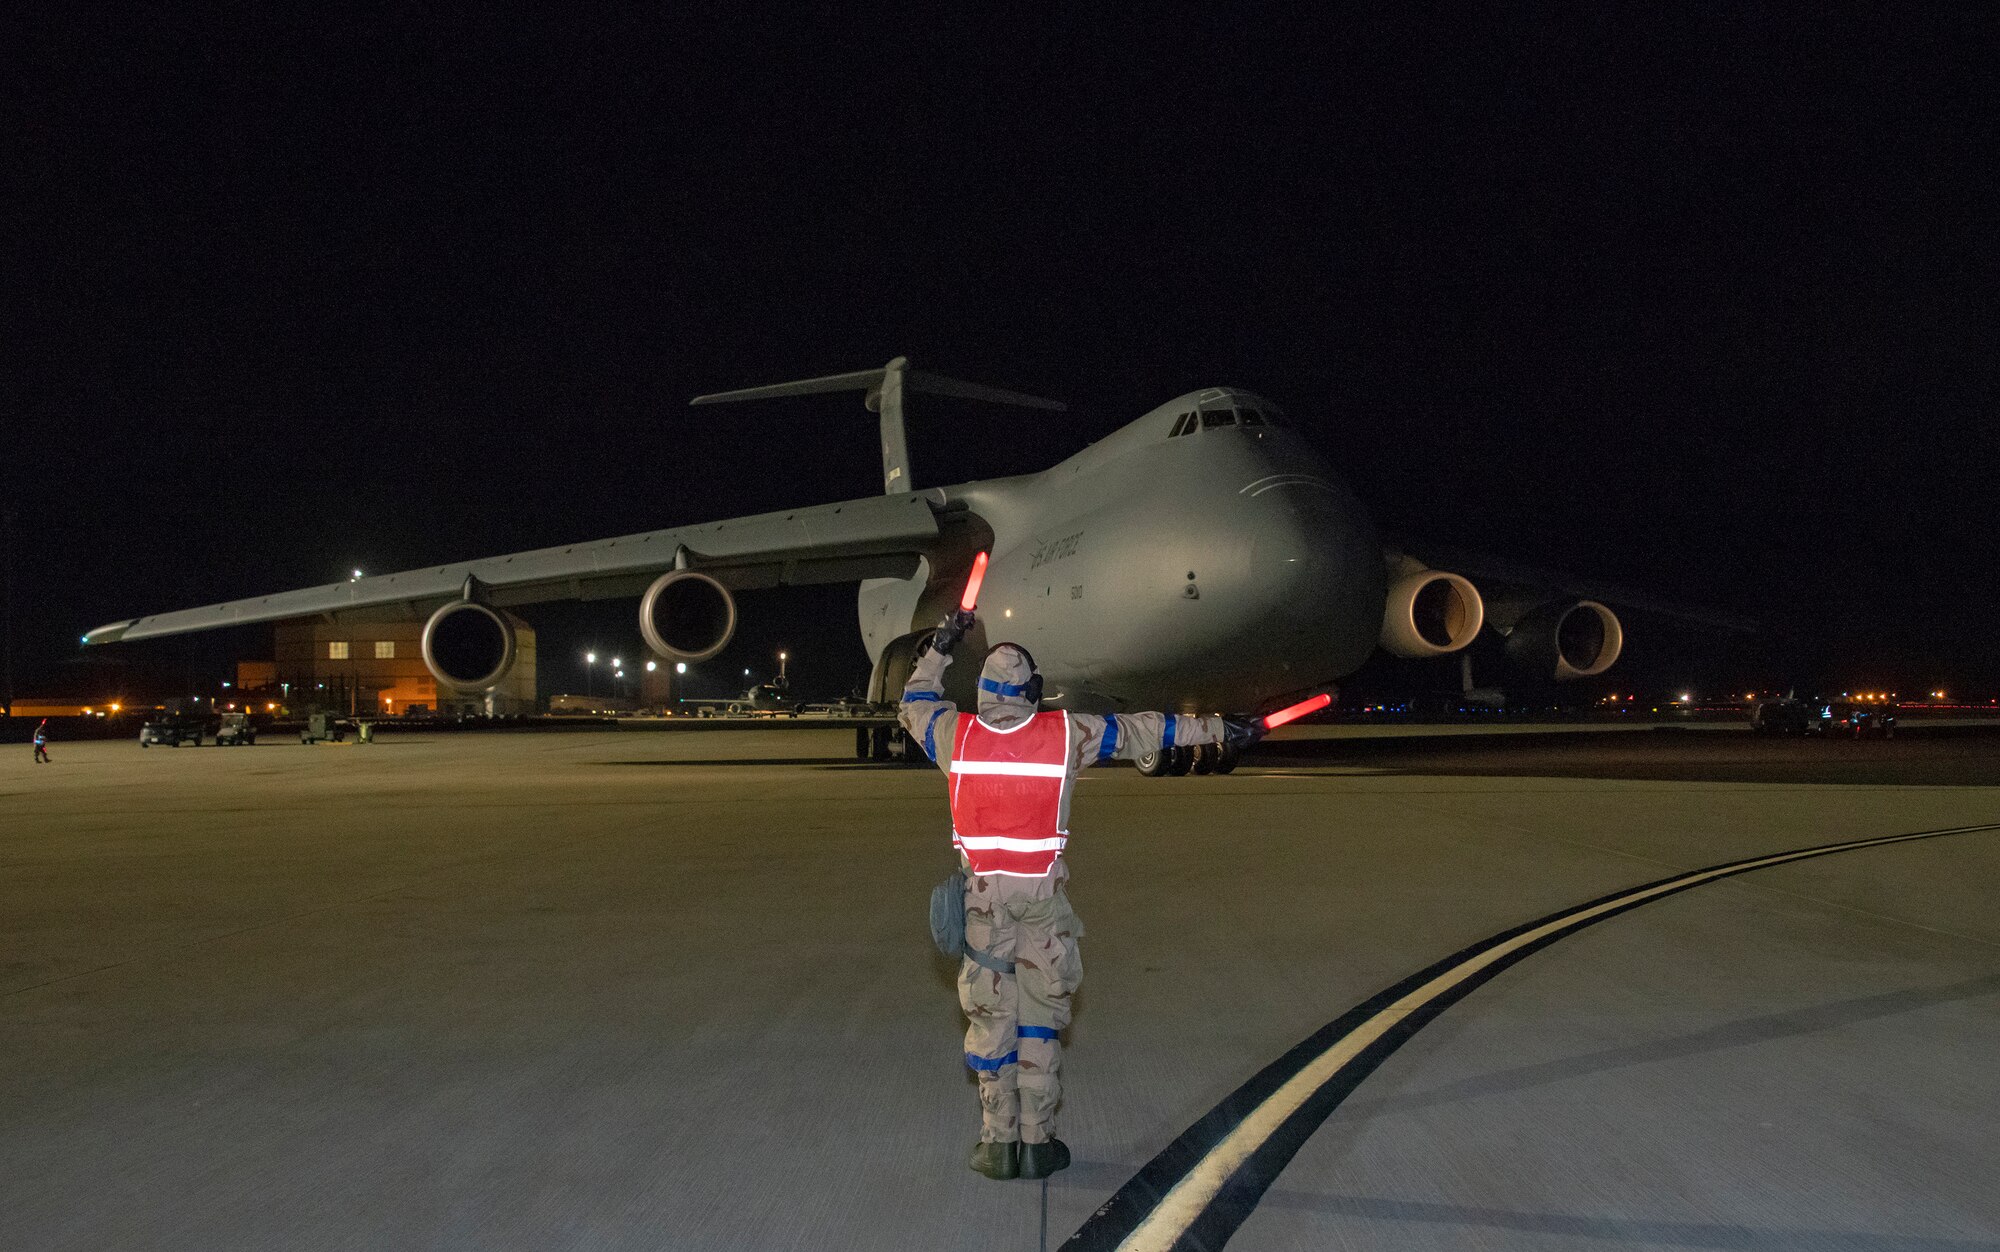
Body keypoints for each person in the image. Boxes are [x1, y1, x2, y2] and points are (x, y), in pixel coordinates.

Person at [899, 608, 1264, 1181]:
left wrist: (941, 646)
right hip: (1043, 903)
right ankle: (1039, 1144)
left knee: (992, 1019)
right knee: (1040, 1023)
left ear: (985, 689)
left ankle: (997, 1146)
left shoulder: (955, 736)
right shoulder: (1064, 735)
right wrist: (1222, 728)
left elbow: (915, 701)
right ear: (1031, 691)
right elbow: (1147, 730)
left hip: (983, 906)